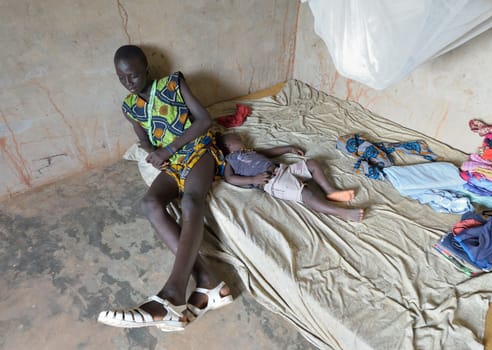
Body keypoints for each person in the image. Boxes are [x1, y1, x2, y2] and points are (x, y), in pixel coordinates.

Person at [97, 45, 233, 332]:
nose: (128, 83)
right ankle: (209, 283)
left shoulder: (173, 84)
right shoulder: (130, 106)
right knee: (149, 204)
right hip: (172, 161)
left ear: (146, 69)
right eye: (121, 78)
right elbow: (143, 138)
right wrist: (151, 151)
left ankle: (172, 294)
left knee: (191, 202)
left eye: (133, 76)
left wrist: (170, 147)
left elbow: (205, 121)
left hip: (198, 150)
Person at [217, 132, 364, 221]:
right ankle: (341, 212)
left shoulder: (251, 151)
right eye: (237, 138)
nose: (241, 138)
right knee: (306, 194)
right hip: (272, 181)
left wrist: (289, 148)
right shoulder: (230, 160)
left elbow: (270, 152)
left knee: (312, 164)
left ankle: (330, 191)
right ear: (229, 145)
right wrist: (252, 180)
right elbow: (230, 178)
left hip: (283, 169)